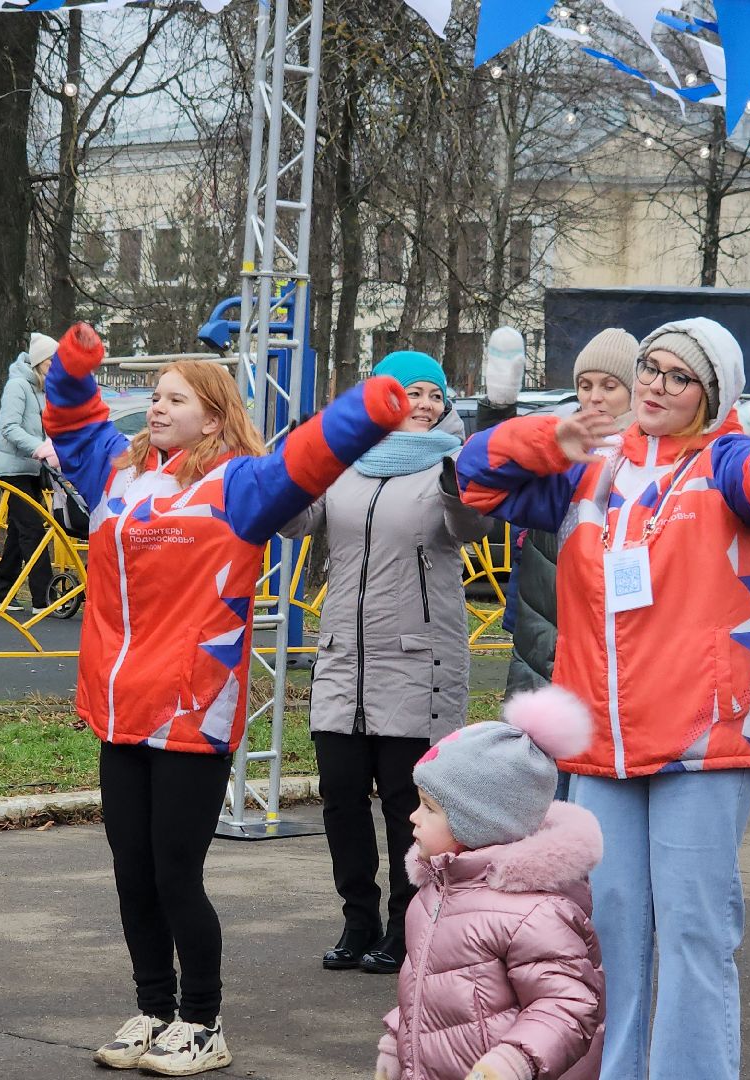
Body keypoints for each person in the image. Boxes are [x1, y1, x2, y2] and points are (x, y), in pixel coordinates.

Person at [459, 317, 750, 1080]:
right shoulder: (591, 465)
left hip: (705, 738)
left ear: (712, 394)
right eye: (650, 368)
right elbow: (478, 478)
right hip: (601, 742)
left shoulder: (728, 462)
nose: (656, 386)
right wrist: (545, 434)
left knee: (694, 933)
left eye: (679, 375)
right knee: (608, 937)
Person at [43, 324, 407, 1076]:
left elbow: (311, 457)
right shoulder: (119, 472)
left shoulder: (239, 483)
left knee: (177, 872)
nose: (155, 407)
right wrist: (77, 362)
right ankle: (152, 1009)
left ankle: (203, 1022)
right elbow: (70, 416)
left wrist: (372, 406)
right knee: (131, 871)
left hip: (191, 708)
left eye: (174, 398)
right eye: (153, 396)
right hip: (118, 706)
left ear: (212, 416)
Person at [279, 350, 491, 977]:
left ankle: (407, 924)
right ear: (381, 401)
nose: (423, 404)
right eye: (408, 392)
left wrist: (460, 477)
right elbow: (294, 520)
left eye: (433, 393)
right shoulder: (343, 466)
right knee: (340, 797)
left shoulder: (451, 462)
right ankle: (357, 919)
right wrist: (293, 467)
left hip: (417, 665)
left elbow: (470, 525)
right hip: (343, 663)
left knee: (408, 804)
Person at [375, 687, 605, 1080]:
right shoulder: (434, 894)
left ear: (481, 823)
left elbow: (567, 1004)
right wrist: (395, 1046)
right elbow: (425, 992)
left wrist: (513, 1062)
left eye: (429, 808)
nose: (413, 817)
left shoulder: (535, 913)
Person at [477, 328, 637, 700]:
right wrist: (498, 412)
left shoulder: (646, 454)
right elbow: (492, 474)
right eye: (585, 384)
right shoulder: (559, 440)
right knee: (536, 742)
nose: (594, 397)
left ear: (633, 389)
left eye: (609, 386)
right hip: (543, 618)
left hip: (613, 621)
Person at [0, 331, 59, 612]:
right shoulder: (18, 385)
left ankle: (1, 592)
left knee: (20, 531)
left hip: (31, 469)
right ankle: (43, 598)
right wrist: (40, 447)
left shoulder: (42, 390)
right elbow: (9, 428)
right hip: (13, 468)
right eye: (53, 361)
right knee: (33, 527)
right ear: (40, 361)